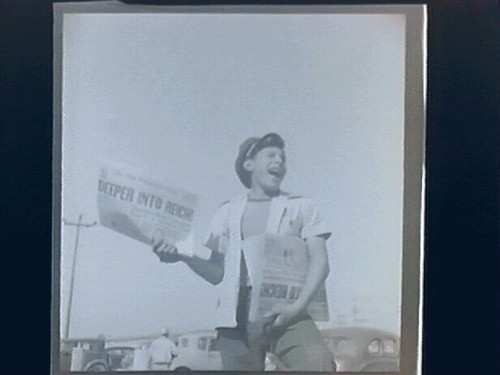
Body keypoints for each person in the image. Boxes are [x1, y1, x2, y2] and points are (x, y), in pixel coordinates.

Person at [152, 133, 334, 371]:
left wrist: (296, 308)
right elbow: (217, 273)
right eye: (271, 155)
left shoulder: (302, 206)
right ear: (249, 165)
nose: (279, 160)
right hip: (234, 319)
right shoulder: (226, 212)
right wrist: (182, 256)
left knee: (318, 363)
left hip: (288, 310)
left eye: (283, 157)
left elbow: (320, 262)